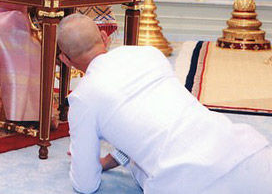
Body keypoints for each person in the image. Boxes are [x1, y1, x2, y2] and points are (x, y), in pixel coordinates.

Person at [56, 13, 272, 194]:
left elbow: (86, 185)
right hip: (248, 156)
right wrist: (109, 161)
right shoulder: (148, 54)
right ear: (104, 38)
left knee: (141, 169)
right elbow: (156, 121)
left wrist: (90, 163)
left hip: (190, 182)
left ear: (65, 60)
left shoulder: (83, 98)